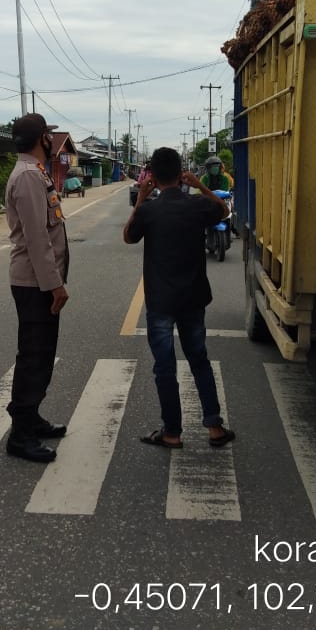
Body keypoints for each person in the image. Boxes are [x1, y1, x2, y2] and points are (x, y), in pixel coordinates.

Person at [123, 146, 237, 449]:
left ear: (154, 177)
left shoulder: (149, 209)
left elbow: (128, 236)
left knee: (164, 366)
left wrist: (143, 198)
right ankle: (214, 427)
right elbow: (224, 211)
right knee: (199, 359)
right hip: (192, 298)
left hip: (161, 301)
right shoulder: (197, 204)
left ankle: (172, 432)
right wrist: (200, 185)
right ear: (180, 173)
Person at [4, 112, 69, 463]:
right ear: (41, 138)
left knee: (42, 353)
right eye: (48, 135)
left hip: (38, 281)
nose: (51, 140)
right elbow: (36, 237)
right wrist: (55, 285)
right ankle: (21, 433)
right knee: (33, 355)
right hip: (34, 283)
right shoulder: (29, 176)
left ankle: (32, 416)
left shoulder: (35, 172)